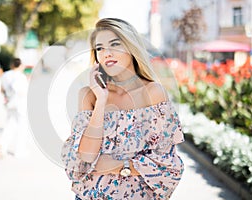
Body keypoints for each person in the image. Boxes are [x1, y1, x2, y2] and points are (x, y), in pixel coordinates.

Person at [61, 18, 184, 200]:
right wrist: (101, 101)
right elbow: (83, 160)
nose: (106, 53)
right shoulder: (89, 95)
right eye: (100, 48)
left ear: (131, 47)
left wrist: (116, 165)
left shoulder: (153, 93)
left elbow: (167, 166)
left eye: (114, 44)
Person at [0, 58, 29, 158]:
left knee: (9, 125)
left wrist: (7, 97)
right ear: (20, 65)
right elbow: (21, 92)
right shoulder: (21, 77)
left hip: (9, 103)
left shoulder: (5, 75)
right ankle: (19, 151)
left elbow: (2, 89)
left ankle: (3, 146)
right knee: (22, 127)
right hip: (20, 104)